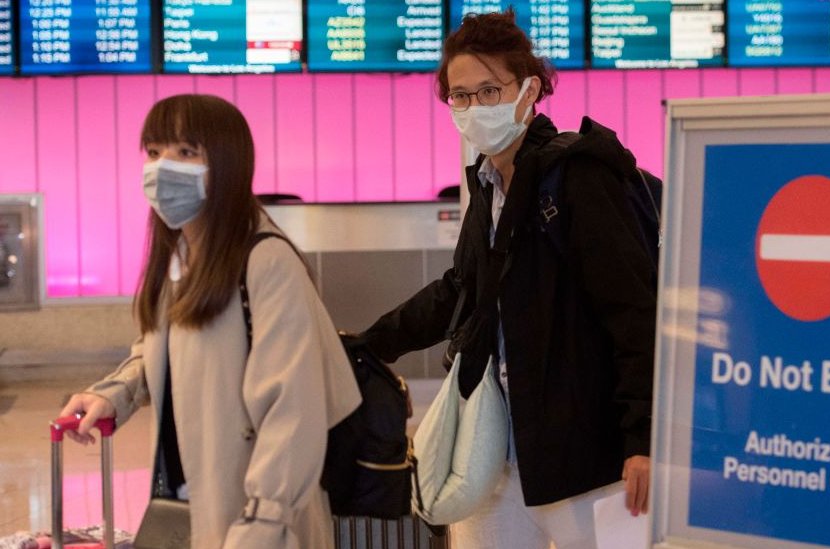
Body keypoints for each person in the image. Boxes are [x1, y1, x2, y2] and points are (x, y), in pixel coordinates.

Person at [357, 10, 656, 549]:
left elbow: (634, 312)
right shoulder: (486, 183)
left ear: (529, 89)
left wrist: (645, 436)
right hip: (494, 449)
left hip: (583, 454)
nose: (475, 108)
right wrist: (368, 346)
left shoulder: (580, 177)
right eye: (460, 96)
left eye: (490, 90)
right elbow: (461, 290)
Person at [58, 94, 361, 549]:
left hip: (259, 522)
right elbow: (163, 349)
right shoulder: (180, 255)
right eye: (155, 152)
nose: (163, 168)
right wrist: (114, 395)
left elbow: (293, 412)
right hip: (192, 503)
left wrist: (262, 523)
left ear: (227, 163)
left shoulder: (265, 260)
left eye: (186, 152)